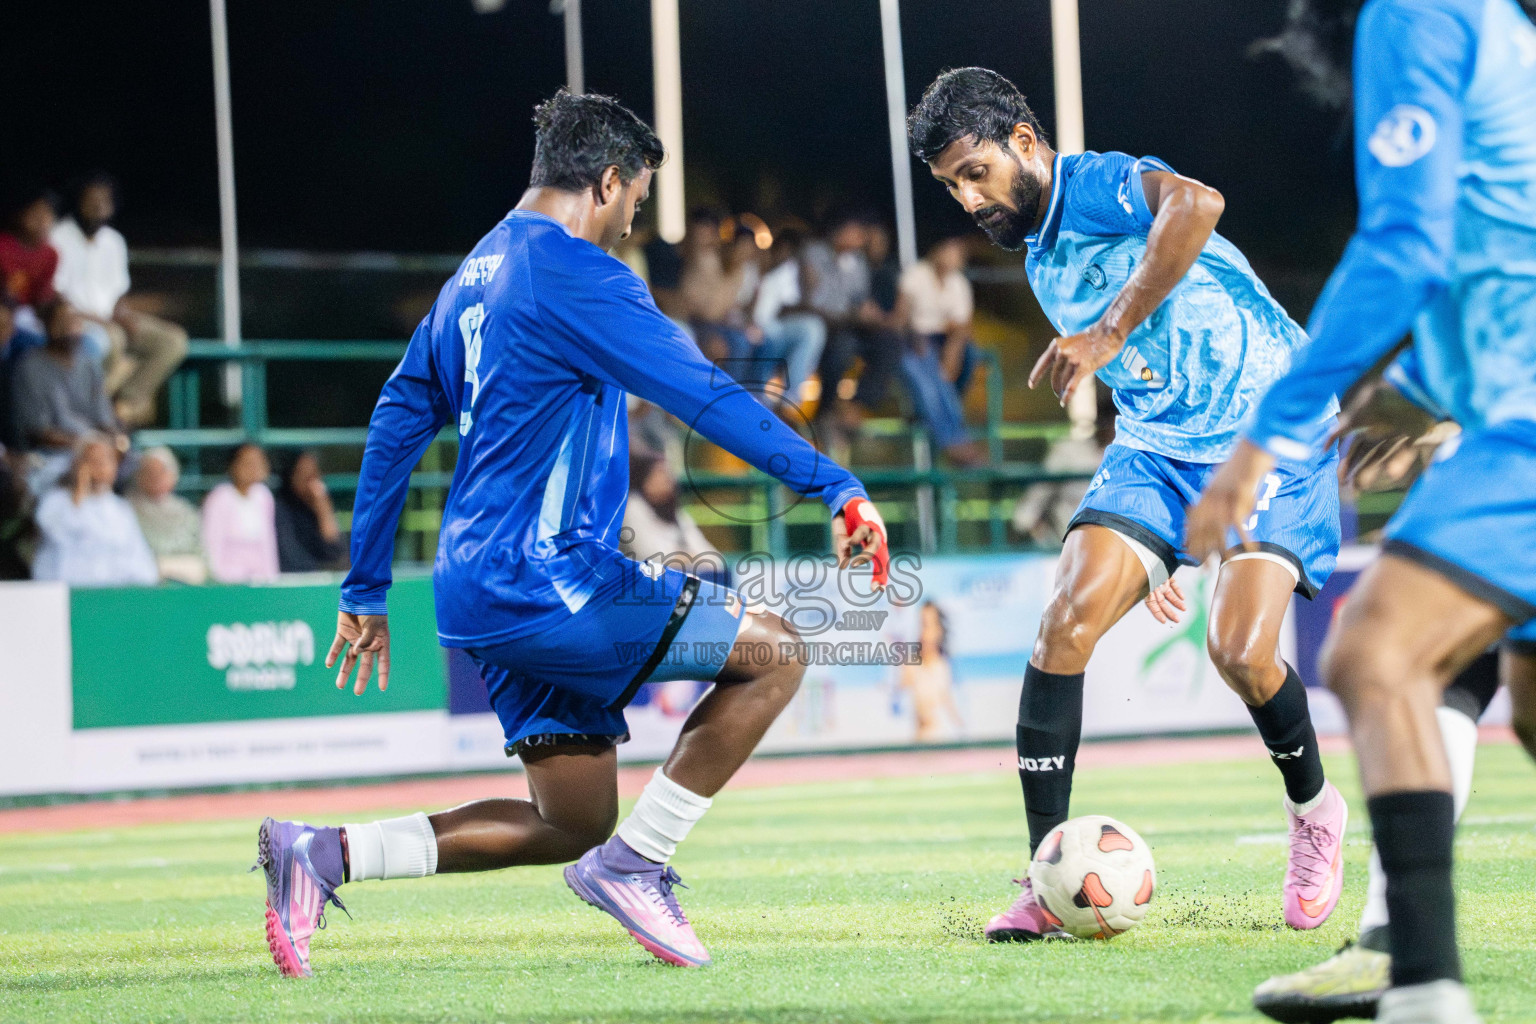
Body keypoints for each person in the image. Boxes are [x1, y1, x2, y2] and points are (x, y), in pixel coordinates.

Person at [253, 89, 888, 979]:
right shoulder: (575, 273)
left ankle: (320, 856)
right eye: (637, 200)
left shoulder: (474, 274)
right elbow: (701, 393)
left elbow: (397, 419)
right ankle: (641, 863)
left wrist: (364, 587)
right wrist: (835, 485)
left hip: (477, 587)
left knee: (569, 821)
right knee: (776, 654)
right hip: (547, 578)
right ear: (608, 180)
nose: (634, 221)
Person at [908, 67, 1346, 942]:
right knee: (1063, 624)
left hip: (1273, 430)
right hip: (1158, 451)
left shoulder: (1097, 182)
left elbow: (1198, 204)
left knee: (1241, 653)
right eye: (951, 185)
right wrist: (1156, 542)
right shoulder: (1035, 255)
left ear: (1025, 144)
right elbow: (1147, 361)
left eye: (975, 171)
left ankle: (1317, 811)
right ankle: (1043, 876)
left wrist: (1106, 330)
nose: (967, 197)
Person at [1185, 1, 1536, 1016]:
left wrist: (1264, 436)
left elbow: (1406, 246)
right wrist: (1423, 384)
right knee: (1499, 681)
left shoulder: (1414, 10)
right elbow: (1497, 242)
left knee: (1373, 652)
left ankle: (1420, 983)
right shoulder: (1491, 19)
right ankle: (1396, 952)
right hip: (1503, 406)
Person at [51, 173, 188, 427]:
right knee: (112, 338)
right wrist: (103, 321)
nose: (98, 206)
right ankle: (90, 410)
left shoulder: (114, 242)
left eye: (104, 201)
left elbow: (118, 293)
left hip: (110, 318)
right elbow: (57, 296)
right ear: (78, 201)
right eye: (92, 200)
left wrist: (123, 314)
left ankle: (122, 406)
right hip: (76, 321)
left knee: (172, 341)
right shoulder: (58, 237)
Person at [9, 302, 126, 493]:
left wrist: (117, 441)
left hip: (95, 451)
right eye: (63, 322)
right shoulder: (30, 366)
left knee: (135, 463)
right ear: (49, 326)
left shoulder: (89, 363)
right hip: (50, 457)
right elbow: (37, 432)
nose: (71, 329)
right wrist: (85, 447)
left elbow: (104, 419)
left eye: (76, 322)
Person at [804, 213, 900, 432]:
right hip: (827, 325)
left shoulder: (856, 260)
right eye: (855, 232)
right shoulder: (814, 255)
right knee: (842, 348)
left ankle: (858, 405)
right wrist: (853, 312)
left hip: (853, 324)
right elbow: (818, 300)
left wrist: (869, 312)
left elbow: (860, 295)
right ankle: (826, 409)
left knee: (889, 342)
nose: (860, 239)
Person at [897, 236, 985, 466]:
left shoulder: (958, 283)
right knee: (931, 383)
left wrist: (952, 353)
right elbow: (903, 317)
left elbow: (962, 325)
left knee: (946, 378)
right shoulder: (916, 275)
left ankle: (954, 437)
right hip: (915, 339)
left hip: (944, 340)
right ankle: (953, 441)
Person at [31, 435, 157, 587]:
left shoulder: (121, 509)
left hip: (112, 597)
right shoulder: (55, 501)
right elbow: (60, 534)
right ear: (78, 464)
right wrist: (79, 489)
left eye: (107, 460)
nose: (101, 467)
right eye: (93, 461)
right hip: (64, 598)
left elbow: (139, 559)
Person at [751, 227, 827, 409]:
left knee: (812, 328)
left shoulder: (791, 270)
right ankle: (758, 396)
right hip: (748, 327)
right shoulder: (755, 265)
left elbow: (787, 307)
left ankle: (790, 398)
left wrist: (808, 283)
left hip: (772, 329)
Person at [128, 445, 207, 584]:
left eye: (161, 471)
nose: (155, 477)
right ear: (139, 476)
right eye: (149, 472)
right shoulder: (127, 510)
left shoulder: (186, 511)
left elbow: (200, 552)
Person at [202, 441, 279, 583]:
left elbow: (268, 543)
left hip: (259, 581)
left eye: (258, 462)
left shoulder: (264, 496)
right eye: (247, 463)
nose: (254, 468)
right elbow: (212, 544)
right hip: (229, 581)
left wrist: (271, 579)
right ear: (233, 466)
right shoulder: (219, 497)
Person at [897, 601, 964, 742]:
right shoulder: (910, 665)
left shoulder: (943, 665)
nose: (924, 632)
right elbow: (899, 706)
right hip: (919, 741)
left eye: (929, 625)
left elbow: (948, 702)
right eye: (922, 624)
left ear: (939, 630)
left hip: (943, 739)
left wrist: (961, 730)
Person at [273, 450, 345, 573]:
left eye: (313, 475)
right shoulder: (280, 509)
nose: (309, 482)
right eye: (302, 474)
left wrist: (324, 513)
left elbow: (336, 554)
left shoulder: (320, 505)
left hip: (320, 582)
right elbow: (291, 559)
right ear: (291, 476)